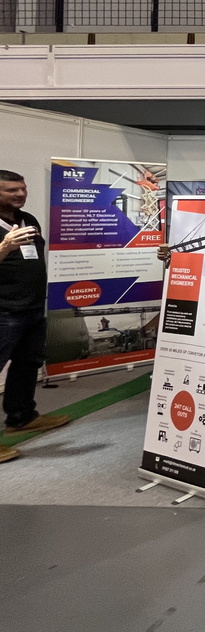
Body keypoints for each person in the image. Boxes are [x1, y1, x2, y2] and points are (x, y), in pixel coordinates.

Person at [0, 169, 71, 464]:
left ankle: (21, 417)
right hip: (3, 310)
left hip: (31, 308)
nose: (20, 194)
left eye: (23, 189)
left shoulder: (28, 220)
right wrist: (5, 246)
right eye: (11, 190)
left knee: (28, 364)